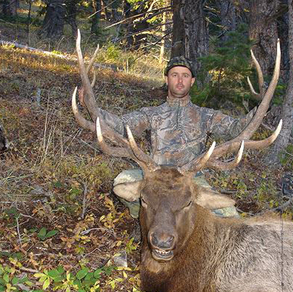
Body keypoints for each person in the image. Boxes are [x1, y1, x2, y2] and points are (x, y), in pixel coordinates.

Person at [103, 56, 255, 218]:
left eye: (185, 75)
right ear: (167, 79)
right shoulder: (151, 114)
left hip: (190, 180)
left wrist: (259, 110)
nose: (180, 80)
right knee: (121, 182)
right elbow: (120, 126)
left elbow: (235, 128)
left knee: (230, 215)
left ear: (192, 81)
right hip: (156, 177)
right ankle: (141, 214)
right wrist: (94, 109)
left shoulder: (205, 115)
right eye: (174, 75)